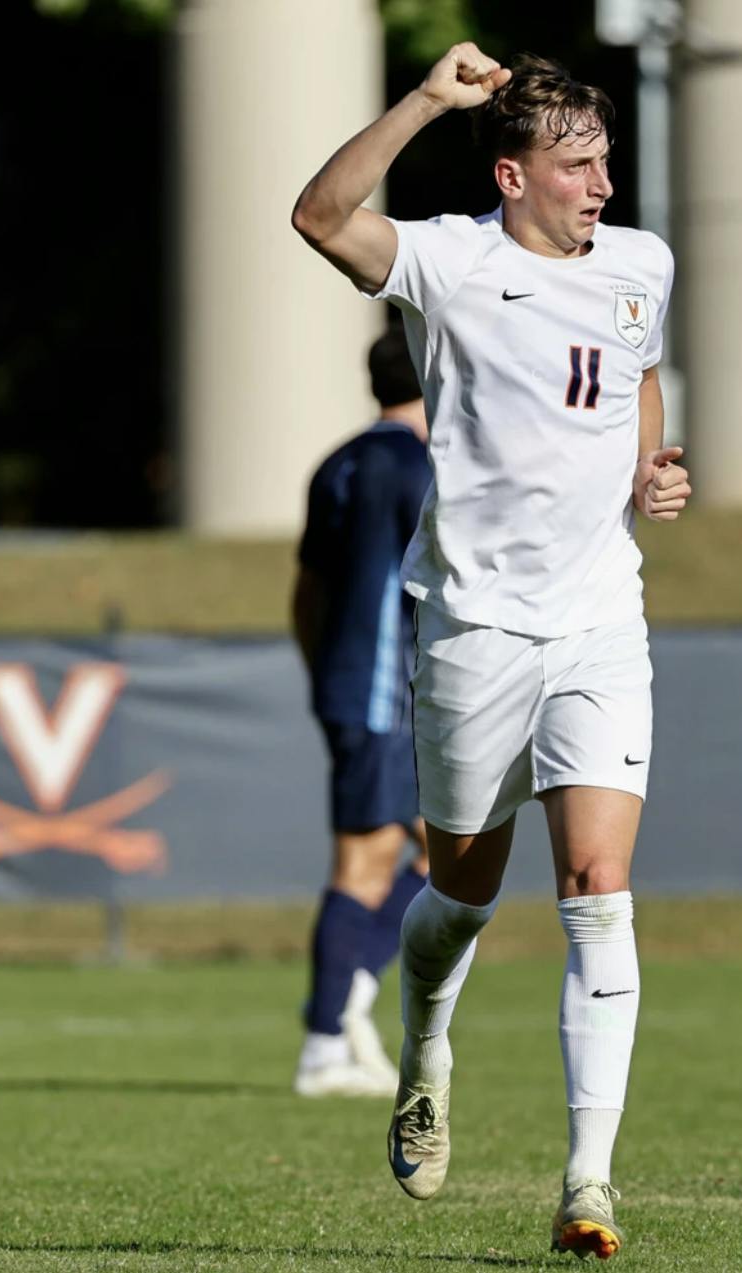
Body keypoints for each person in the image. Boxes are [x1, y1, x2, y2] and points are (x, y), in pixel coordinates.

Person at [291, 45, 692, 1260]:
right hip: (471, 629)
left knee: (595, 894)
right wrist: (424, 100)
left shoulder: (641, 264)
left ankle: (588, 1180)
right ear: (513, 175)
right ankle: (425, 1046)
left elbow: (641, 376)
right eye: (576, 167)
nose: (600, 186)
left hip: (599, 628)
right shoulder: (453, 259)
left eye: (606, 160)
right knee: (458, 896)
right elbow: (318, 216)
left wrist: (649, 466)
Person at [290, 330, 434, 1099]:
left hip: (352, 685)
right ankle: (325, 1035)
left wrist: (323, 675)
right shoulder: (417, 465)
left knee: (440, 851)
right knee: (366, 860)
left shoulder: (337, 462)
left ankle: (348, 1002)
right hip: (390, 690)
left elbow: (306, 591)